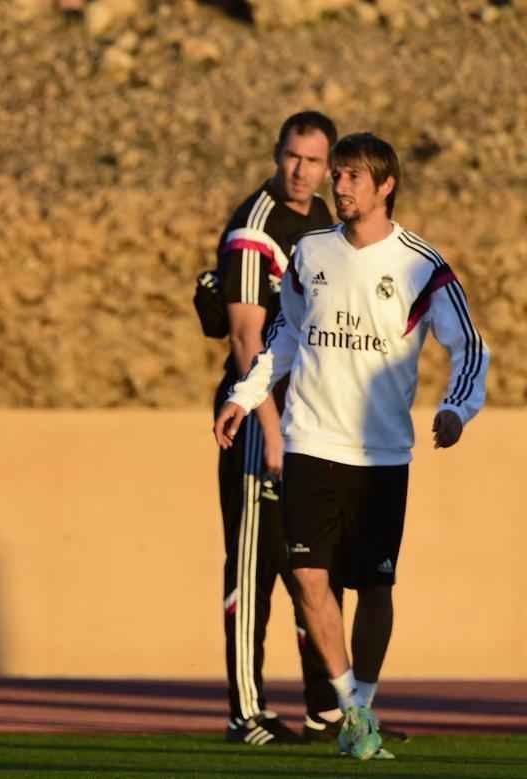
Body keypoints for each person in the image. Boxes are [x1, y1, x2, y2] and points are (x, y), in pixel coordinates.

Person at [214, 133, 489, 760]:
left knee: (374, 588)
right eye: (336, 174)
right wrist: (245, 394)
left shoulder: (421, 264)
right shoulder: (310, 252)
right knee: (308, 576)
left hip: (381, 454)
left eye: (352, 176)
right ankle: (352, 712)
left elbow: (469, 346)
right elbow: (283, 337)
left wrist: (457, 407)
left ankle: (362, 699)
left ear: (385, 185)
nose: (338, 186)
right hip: (311, 441)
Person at [212, 111, 342, 746]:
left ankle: (328, 709)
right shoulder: (254, 228)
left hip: (313, 417)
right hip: (262, 422)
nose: (301, 170)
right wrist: (270, 431)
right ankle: (247, 713)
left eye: (313, 161)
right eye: (293, 156)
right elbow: (245, 338)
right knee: (253, 567)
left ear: (329, 167)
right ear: (276, 153)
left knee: (314, 566)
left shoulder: (326, 222)